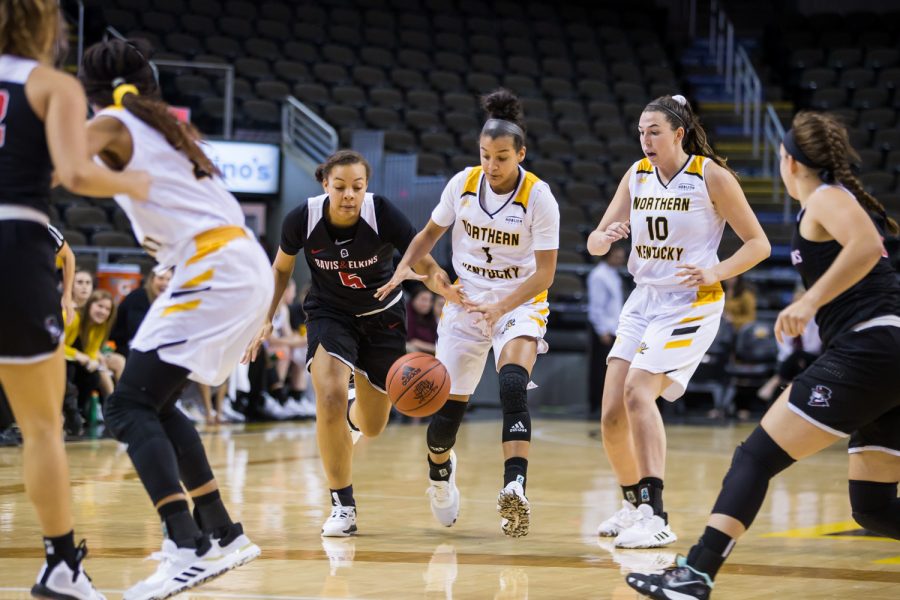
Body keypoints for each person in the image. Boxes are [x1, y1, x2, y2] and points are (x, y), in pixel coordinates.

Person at [625, 111, 900, 599]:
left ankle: (696, 575)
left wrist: (809, 301)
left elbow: (866, 244)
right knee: (874, 508)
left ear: (789, 162)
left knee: (754, 458)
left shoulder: (825, 197)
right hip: (885, 356)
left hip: (873, 349)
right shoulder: (823, 202)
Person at [79, 37, 272, 598]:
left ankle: (185, 545)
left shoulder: (114, 120)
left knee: (127, 405)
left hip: (217, 266)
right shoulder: (170, 131)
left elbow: (58, 161)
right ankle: (219, 531)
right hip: (234, 262)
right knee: (155, 403)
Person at [0, 2, 149, 598]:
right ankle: (62, 565)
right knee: (40, 428)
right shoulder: (51, 84)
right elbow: (76, 172)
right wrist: (136, 181)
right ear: (45, 27)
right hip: (14, 241)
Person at [587, 94, 770, 548]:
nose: (646, 140)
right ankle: (632, 504)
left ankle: (655, 512)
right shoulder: (637, 174)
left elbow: (758, 244)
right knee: (611, 416)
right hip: (643, 299)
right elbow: (594, 241)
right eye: (641, 132)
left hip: (691, 300)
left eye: (654, 132)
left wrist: (716, 270)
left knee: (638, 391)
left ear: (678, 134)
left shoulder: (711, 176)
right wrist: (602, 235)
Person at [377, 89, 561, 538]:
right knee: (444, 417)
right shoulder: (462, 184)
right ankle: (440, 474)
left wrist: (501, 305)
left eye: (501, 157)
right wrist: (405, 270)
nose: (492, 165)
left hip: (519, 301)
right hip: (464, 302)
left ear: (521, 153)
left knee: (513, 383)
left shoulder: (539, 198)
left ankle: (514, 486)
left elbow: (545, 275)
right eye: (485, 155)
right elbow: (425, 236)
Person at [244, 149, 457, 537]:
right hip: (330, 314)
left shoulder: (382, 214)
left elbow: (421, 260)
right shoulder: (302, 219)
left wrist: (444, 284)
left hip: (383, 319)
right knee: (328, 397)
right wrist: (266, 317)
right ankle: (343, 504)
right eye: (339, 187)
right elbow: (281, 269)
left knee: (373, 426)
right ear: (325, 184)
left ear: (366, 187)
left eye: (357, 187)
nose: (348, 195)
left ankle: (353, 412)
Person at [587, 243, 627, 415]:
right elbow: (596, 306)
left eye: (621, 257)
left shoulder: (614, 275)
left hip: (614, 329)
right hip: (604, 331)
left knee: (611, 370)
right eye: (616, 257)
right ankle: (597, 405)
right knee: (600, 370)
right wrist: (601, 330)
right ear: (607, 255)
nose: (619, 260)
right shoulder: (599, 275)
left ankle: (609, 404)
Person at [64, 289, 119, 414]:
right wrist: (76, 354)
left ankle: (80, 411)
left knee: (93, 376)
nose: (103, 312)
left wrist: (94, 360)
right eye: (99, 306)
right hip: (60, 361)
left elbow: (92, 350)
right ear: (89, 304)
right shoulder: (72, 317)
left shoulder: (101, 326)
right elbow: (55, 344)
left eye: (107, 309)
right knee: (69, 370)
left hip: (78, 361)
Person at [109, 266, 172, 357]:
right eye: (160, 278)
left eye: (169, 280)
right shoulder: (139, 297)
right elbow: (137, 331)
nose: (165, 283)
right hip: (121, 346)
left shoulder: (165, 302)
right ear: (151, 280)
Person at [406, 285, 438, 354]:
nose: (427, 304)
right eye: (423, 300)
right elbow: (411, 341)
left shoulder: (430, 316)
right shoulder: (407, 314)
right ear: (413, 299)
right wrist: (435, 348)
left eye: (430, 301)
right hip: (414, 353)